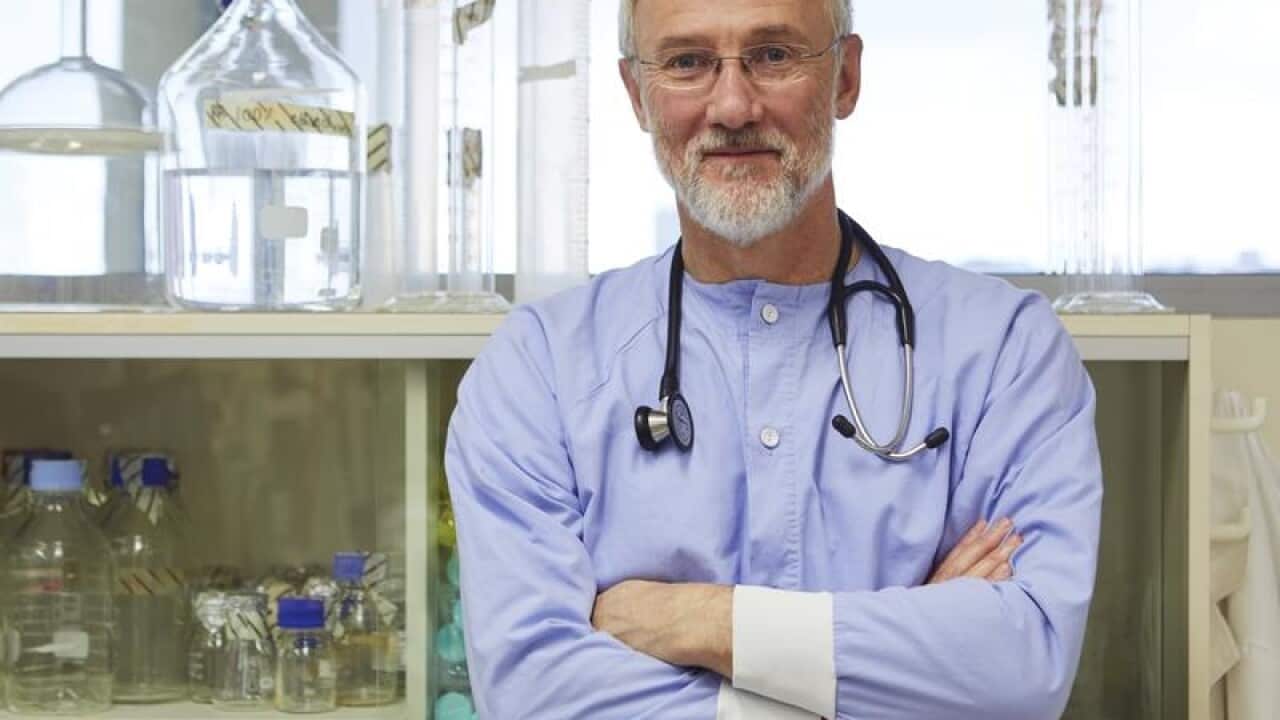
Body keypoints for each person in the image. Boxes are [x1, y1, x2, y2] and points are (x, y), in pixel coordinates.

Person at [444, 0, 1103, 717]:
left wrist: (702, 622)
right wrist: (903, 657)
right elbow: (534, 693)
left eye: (774, 55)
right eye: (688, 62)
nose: (732, 104)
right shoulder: (537, 371)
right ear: (637, 94)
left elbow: (1021, 673)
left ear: (844, 79)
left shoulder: (1004, 351)